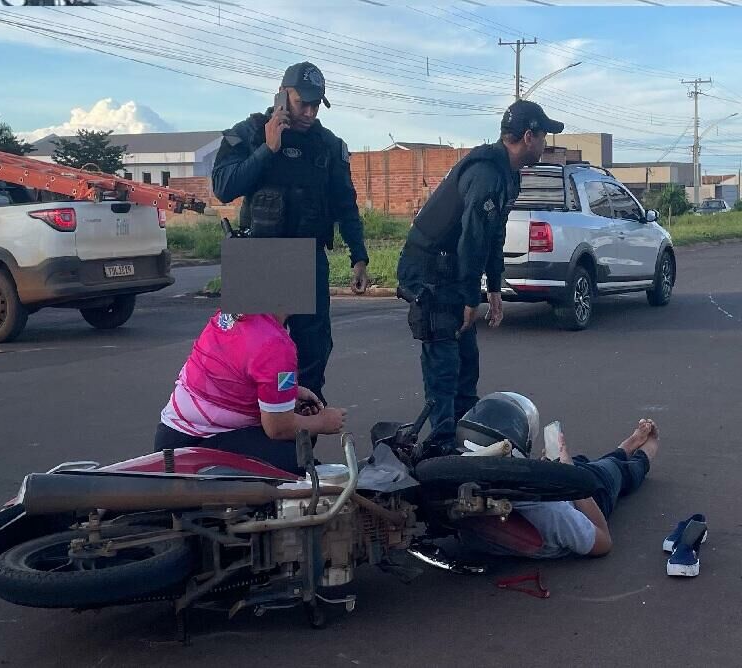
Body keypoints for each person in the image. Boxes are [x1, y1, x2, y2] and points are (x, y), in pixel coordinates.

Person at [396, 100, 565, 457]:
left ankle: (464, 439)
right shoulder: (486, 172)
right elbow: (471, 238)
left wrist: (494, 286)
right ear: (528, 136)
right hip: (430, 269)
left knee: (466, 361)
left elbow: (492, 234)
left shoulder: (508, 174)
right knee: (445, 357)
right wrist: (470, 296)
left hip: (454, 270)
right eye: (543, 136)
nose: (545, 144)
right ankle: (441, 445)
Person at [211, 61, 370, 405]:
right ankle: (249, 437)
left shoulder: (328, 145)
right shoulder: (251, 132)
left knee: (312, 356)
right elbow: (223, 187)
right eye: (303, 103)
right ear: (283, 96)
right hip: (257, 255)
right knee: (248, 359)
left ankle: (302, 445)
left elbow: (346, 205)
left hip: (308, 256)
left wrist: (359, 256)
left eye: (317, 105)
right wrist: (267, 149)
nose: (310, 112)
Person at [453, 393, 659, 559]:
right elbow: (603, 542)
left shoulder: (456, 480)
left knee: (584, 461)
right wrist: (571, 476)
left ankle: (623, 448)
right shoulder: (549, 511)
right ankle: (644, 451)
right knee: (617, 470)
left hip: (548, 482)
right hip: (583, 497)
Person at [153, 308, 348, 475]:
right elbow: (278, 428)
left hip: (172, 436)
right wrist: (324, 422)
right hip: (193, 448)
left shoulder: (233, 314)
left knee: (302, 434)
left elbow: (237, 371)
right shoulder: (276, 345)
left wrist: (291, 393)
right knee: (298, 461)